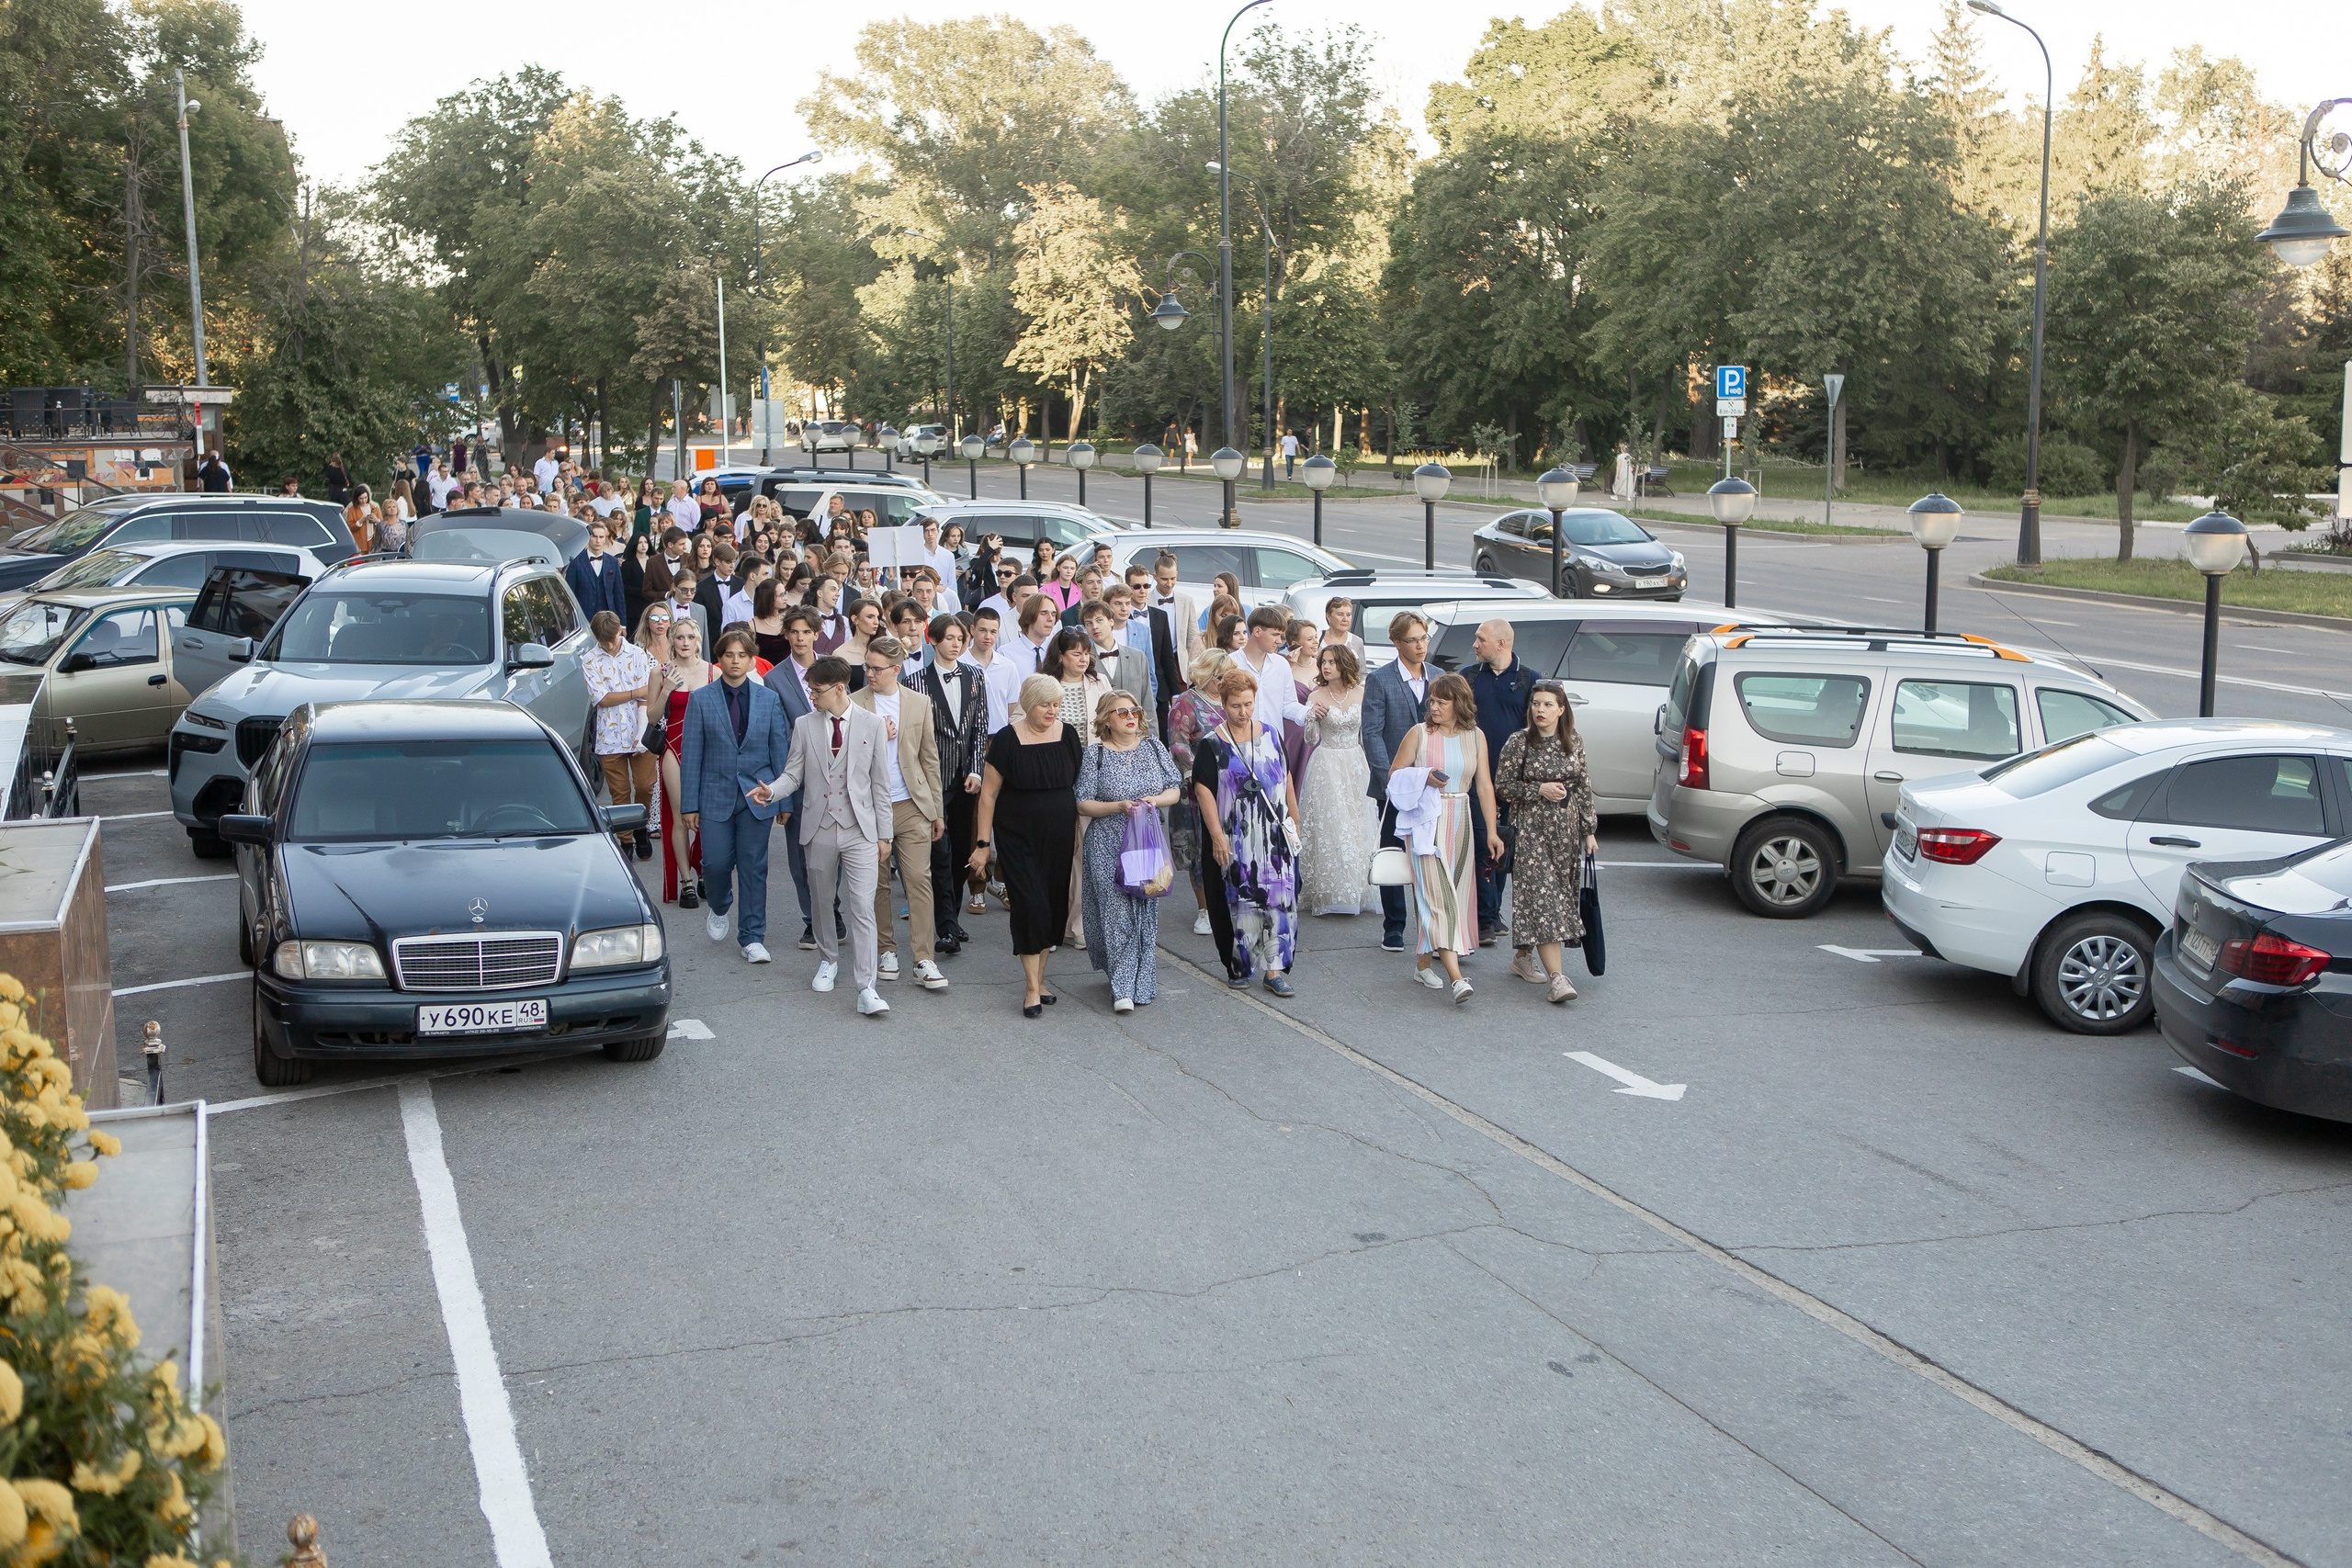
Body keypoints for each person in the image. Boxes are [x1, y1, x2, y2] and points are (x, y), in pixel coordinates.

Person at [772, 656, 894, 1017]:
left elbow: (879, 785)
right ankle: (828, 960)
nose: (812, 696)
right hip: (819, 827)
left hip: (861, 830)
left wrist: (884, 835)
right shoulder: (804, 725)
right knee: (822, 902)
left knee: (862, 906)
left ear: (839, 689)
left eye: (817, 690)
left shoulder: (872, 725)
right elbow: (792, 775)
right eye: (810, 690)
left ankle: (866, 986)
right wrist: (772, 792)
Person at [970, 674, 1085, 1018]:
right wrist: (982, 844)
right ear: (1027, 704)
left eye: (1056, 704)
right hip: (1018, 837)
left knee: (1051, 906)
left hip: (1060, 835)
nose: (1052, 711)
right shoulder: (1006, 740)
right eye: (1045, 705)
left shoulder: (1067, 735)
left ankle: (1041, 978)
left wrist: (1080, 829)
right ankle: (1031, 987)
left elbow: (1078, 785)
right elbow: (988, 795)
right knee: (1030, 906)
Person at [677, 628, 792, 964]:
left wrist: (783, 800)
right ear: (720, 658)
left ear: (752, 658)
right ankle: (720, 903)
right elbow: (692, 753)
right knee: (714, 863)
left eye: (742, 655)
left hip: (758, 795)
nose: (736, 661)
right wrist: (689, 804)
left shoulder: (768, 699)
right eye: (729, 655)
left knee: (755, 867)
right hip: (714, 794)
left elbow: (779, 752)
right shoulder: (701, 699)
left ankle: (752, 936)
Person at [1387, 671, 1504, 1003]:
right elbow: (1394, 776)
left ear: (1459, 704)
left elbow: (1484, 785)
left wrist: (1492, 832)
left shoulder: (1475, 736)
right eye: (1432, 701)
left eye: (1442, 701)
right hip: (1426, 822)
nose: (1434, 707)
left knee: (1450, 894)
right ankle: (1457, 978)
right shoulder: (1419, 734)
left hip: (1461, 819)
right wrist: (1425, 777)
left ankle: (1423, 965)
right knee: (1439, 898)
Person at [1192, 667, 1300, 997]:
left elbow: (1287, 780)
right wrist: (1217, 837)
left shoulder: (1270, 734)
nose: (1243, 712)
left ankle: (1274, 969)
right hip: (1236, 838)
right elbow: (1203, 791)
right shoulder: (1212, 745)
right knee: (1239, 902)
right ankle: (1239, 965)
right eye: (1236, 705)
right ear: (1224, 704)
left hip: (1274, 838)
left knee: (1280, 902)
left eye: (1249, 704)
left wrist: (1295, 823)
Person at [1076, 691, 1183, 1012]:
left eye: (1134, 710)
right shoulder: (1093, 754)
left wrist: (1153, 801)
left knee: (1145, 909)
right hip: (1108, 840)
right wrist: (1117, 806)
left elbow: (1174, 790)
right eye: (1121, 712)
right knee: (1116, 910)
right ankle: (1122, 986)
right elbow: (1082, 802)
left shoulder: (1153, 747)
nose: (1130, 716)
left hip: (1146, 839)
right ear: (1106, 719)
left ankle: (1142, 980)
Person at [852, 636, 949, 991]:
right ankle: (886, 950)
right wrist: (877, 737)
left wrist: (936, 810)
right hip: (870, 808)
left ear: (896, 669)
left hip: (911, 804)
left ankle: (924, 958)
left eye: (876, 669)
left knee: (918, 880)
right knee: (876, 882)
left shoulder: (918, 702)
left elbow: (929, 758)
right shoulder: (854, 704)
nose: (870, 674)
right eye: (867, 667)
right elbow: (848, 763)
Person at [1493, 682, 1600, 1003]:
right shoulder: (1519, 742)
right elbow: (1502, 785)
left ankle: (1522, 956)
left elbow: (1582, 786)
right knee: (1545, 898)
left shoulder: (1573, 742)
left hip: (1564, 833)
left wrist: (1588, 830)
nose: (1540, 710)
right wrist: (1537, 790)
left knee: (1551, 898)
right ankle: (1558, 979)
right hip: (1529, 830)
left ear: (1561, 709)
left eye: (1548, 705)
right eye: (1536, 704)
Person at [1362, 611, 1432, 953]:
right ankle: (1394, 926)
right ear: (1396, 642)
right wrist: (1389, 778)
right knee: (1392, 850)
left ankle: (1433, 924)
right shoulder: (1381, 680)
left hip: (1432, 783)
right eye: (1412, 640)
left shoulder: (1438, 677)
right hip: (1394, 785)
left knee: (1431, 853)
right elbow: (1372, 733)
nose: (1420, 646)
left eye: (1424, 639)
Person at [1465, 618, 1536, 949]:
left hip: (1513, 783)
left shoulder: (1528, 680)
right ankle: (1486, 916)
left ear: (1502, 644)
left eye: (1481, 639)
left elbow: (1535, 732)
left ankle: (1492, 914)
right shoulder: (1468, 677)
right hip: (1476, 780)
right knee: (1483, 845)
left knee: (1504, 847)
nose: (1475, 645)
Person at [922, 615, 987, 953]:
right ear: (933, 640)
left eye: (959, 637)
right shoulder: (916, 681)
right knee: (940, 854)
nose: (956, 643)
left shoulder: (975, 676)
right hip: (933, 783)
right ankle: (945, 927)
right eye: (948, 638)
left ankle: (953, 918)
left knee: (962, 852)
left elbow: (979, 728)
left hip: (966, 783)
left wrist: (976, 771)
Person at [1299, 644, 1376, 916]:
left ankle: (1358, 888)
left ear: (1344, 665)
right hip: (1327, 762)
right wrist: (1311, 718)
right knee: (1332, 824)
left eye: (1332, 662)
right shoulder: (1316, 695)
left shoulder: (1361, 693)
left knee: (1357, 823)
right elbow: (1310, 739)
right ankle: (1331, 890)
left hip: (1355, 762)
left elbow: (1367, 735)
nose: (1326, 667)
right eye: (1323, 662)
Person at [582, 610, 660, 861]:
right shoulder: (590, 660)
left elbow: (648, 693)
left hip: (641, 730)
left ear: (620, 630)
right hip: (609, 736)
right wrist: (635, 691)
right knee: (620, 792)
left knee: (646, 785)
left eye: (612, 638)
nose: (609, 644)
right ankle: (625, 838)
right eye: (603, 641)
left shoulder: (638, 654)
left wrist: (637, 694)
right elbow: (601, 699)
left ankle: (641, 827)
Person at [1166, 649, 1233, 938]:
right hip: (1196, 789)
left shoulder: (1232, 701)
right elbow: (1178, 745)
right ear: (1205, 675)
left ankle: (1230, 901)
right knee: (1200, 849)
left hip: (1231, 786)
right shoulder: (1186, 703)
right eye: (1218, 677)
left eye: (1226, 676)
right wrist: (1200, 776)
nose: (1223, 682)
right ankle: (1205, 910)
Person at [660, 619, 716, 907]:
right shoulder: (662, 671)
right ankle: (686, 883)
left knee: (706, 815)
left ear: (698, 639)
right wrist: (667, 689)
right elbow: (651, 715)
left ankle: (705, 871)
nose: (684, 642)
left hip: (706, 747)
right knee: (682, 815)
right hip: (673, 744)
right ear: (673, 639)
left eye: (690, 637)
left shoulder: (712, 671)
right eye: (679, 637)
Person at [1082, 598, 1149, 714]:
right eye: (1089, 623)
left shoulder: (1138, 657)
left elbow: (1148, 702)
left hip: (1135, 728)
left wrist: (1151, 732)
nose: (1094, 627)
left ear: (1111, 621)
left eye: (1099, 620)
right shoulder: (1084, 661)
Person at [567, 517, 628, 624]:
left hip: (608, 619)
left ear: (605, 538)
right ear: (588, 537)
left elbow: (619, 594)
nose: (598, 540)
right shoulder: (576, 562)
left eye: (601, 537)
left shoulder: (613, 562)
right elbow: (570, 594)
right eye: (594, 536)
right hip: (584, 619)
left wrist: (622, 624)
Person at [343, 488, 378, 555]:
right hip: (360, 542)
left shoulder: (373, 507)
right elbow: (351, 527)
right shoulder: (352, 510)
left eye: (365, 497)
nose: (364, 501)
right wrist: (361, 521)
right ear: (356, 499)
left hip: (372, 540)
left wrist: (375, 520)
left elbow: (381, 523)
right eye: (361, 498)